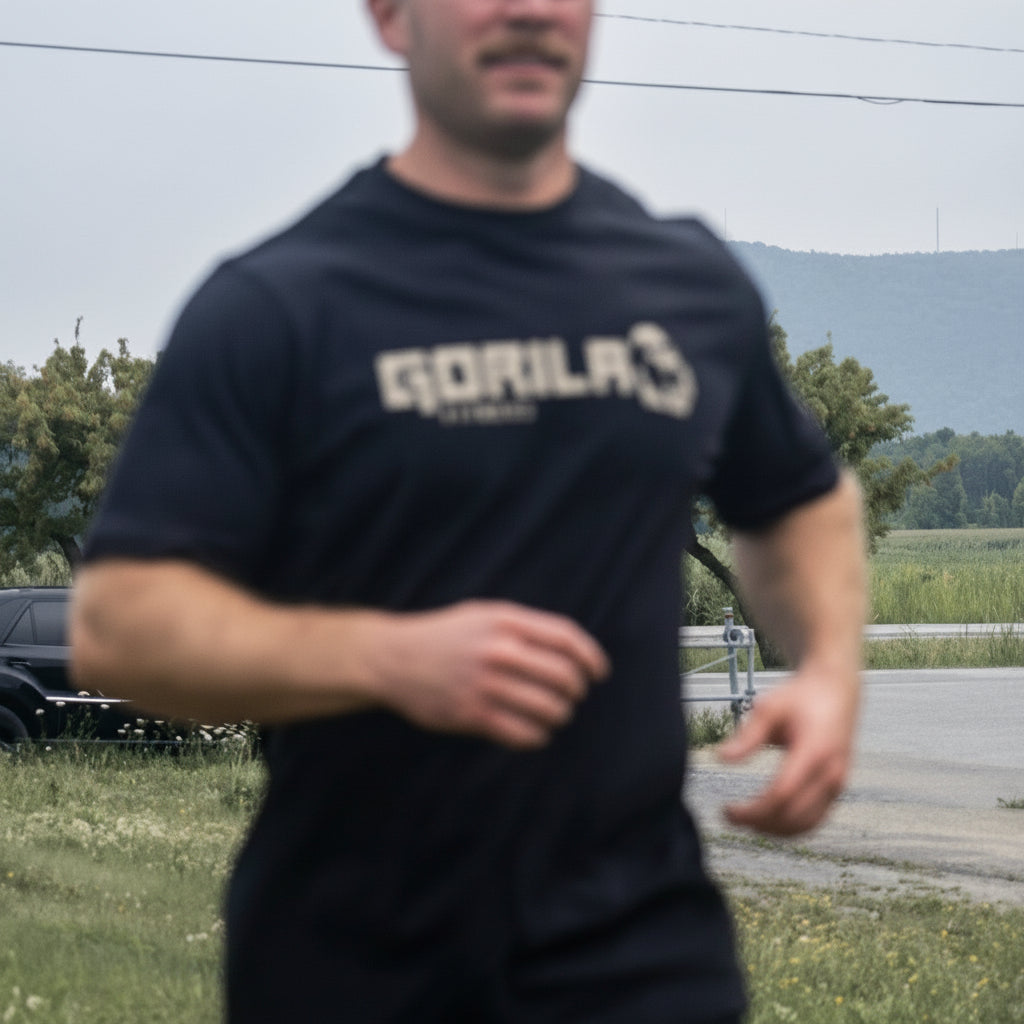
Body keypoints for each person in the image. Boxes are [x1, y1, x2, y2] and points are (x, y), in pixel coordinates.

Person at [70, 1, 867, 1021]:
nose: (528, 10)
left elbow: (797, 499)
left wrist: (830, 669)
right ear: (389, 17)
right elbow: (121, 626)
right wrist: (386, 658)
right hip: (355, 965)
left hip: (642, 954)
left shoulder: (686, 285)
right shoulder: (276, 306)